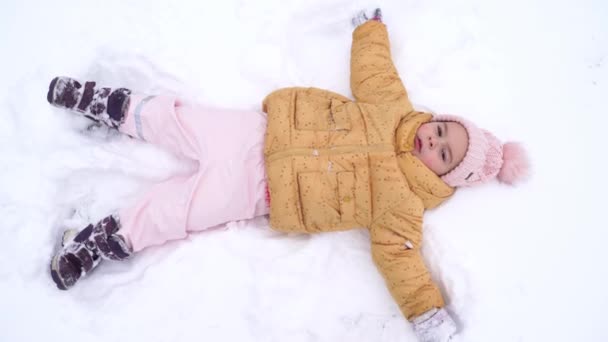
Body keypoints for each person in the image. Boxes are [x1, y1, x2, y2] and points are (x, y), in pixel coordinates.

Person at [46, 9, 529, 342]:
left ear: (445, 178)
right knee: (181, 120)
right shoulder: (393, 108)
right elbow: (375, 72)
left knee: (180, 213)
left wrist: (426, 313)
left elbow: (402, 262)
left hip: (259, 191)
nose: (433, 140)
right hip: (257, 132)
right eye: (443, 129)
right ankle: (105, 103)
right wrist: (370, 29)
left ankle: (100, 242)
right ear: (440, 117)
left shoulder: (402, 208)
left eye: (443, 153)